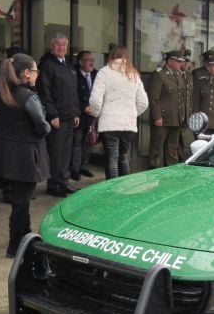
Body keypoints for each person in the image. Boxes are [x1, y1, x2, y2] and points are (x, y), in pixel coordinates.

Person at [0, 54, 50, 258]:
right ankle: (15, 243)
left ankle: (24, 236)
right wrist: (47, 126)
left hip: (5, 153)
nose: (36, 75)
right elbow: (42, 126)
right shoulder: (29, 97)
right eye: (35, 71)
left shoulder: (0, 94)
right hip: (25, 156)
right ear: (26, 73)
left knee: (19, 199)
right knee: (21, 201)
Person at [87, 45, 149, 179]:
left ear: (111, 55)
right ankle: (124, 187)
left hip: (109, 123)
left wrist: (97, 114)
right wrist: (132, 113)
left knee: (112, 158)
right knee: (124, 156)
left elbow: (95, 101)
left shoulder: (104, 72)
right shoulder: (133, 74)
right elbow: (143, 102)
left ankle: (111, 190)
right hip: (129, 124)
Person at [36, 33, 80, 197]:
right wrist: (52, 114)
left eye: (64, 44)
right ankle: (53, 184)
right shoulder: (48, 65)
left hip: (70, 116)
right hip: (57, 118)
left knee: (66, 151)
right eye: (58, 44)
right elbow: (44, 92)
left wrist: (76, 112)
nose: (61, 47)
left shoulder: (69, 66)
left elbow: (73, 92)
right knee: (56, 152)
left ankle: (64, 181)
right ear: (52, 47)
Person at [148, 50, 186, 168]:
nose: (180, 64)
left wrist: (182, 116)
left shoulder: (179, 74)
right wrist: (157, 116)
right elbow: (153, 98)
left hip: (176, 118)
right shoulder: (159, 74)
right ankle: (153, 171)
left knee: (172, 148)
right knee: (156, 147)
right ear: (170, 61)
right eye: (178, 61)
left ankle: (170, 173)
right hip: (162, 119)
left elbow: (181, 97)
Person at [71, 50, 97, 180]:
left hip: (91, 115)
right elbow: (71, 94)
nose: (91, 63)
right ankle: (75, 169)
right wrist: (83, 108)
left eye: (92, 60)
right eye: (88, 60)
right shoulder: (73, 74)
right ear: (81, 62)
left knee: (88, 142)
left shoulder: (96, 74)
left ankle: (83, 166)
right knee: (76, 142)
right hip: (78, 114)